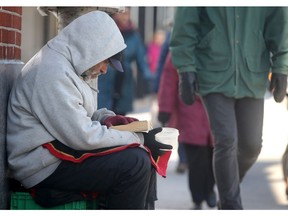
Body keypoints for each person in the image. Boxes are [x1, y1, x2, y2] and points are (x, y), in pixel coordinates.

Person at [6, 11, 172, 210]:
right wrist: (140, 138)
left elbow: (78, 115)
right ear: (92, 48)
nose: (104, 70)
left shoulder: (71, 65)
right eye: (105, 62)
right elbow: (82, 136)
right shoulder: (52, 72)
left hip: (57, 152)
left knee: (144, 157)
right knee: (134, 163)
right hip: (41, 167)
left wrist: (107, 119)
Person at [170, 7, 288, 209]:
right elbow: (185, 23)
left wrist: (281, 65)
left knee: (252, 146)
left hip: (252, 72)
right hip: (212, 70)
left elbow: (280, 24)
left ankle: (227, 187)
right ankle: (230, 205)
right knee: (226, 140)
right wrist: (185, 68)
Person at [157, 52, 216, 210]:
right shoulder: (180, 48)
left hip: (215, 105)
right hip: (189, 107)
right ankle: (197, 198)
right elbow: (169, 79)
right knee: (196, 159)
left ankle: (210, 190)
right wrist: (165, 108)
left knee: (214, 157)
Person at [98, 7, 152, 116]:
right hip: (106, 78)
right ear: (116, 13)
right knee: (103, 114)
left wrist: (151, 80)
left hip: (124, 82)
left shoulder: (134, 35)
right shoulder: (107, 30)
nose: (125, 16)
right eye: (122, 13)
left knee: (121, 118)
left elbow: (141, 60)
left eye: (127, 14)